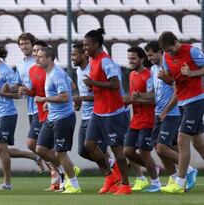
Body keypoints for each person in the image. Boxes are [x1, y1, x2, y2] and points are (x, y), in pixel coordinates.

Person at [0, 42, 39, 190]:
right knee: (1, 150)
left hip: (8, 113)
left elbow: (16, 95)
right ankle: (34, 156)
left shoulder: (6, 71)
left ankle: (7, 183)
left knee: (1, 147)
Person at [82, 28, 131, 195]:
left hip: (113, 112)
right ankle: (110, 177)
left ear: (96, 44)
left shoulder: (106, 61)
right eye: (83, 45)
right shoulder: (92, 59)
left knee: (118, 150)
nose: (85, 48)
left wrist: (93, 83)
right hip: (99, 110)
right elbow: (96, 85)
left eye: (87, 45)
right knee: (89, 144)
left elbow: (115, 85)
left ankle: (125, 184)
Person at [158, 31, 204, 193]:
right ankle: (181, 181)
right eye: (166, 51)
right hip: (182, 103)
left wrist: (192, 73)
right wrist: (166, 79)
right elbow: (173, 81)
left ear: (176, 42)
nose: (169, 53)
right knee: (198, 143)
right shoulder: (166, 58)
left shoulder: (192, 51)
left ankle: (180, 182)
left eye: (170, 50)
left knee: (182, 139)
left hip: (196, 100)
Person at [32, 47, 80, 194]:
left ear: (49, 59)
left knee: (60, 152)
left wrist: (45, 99)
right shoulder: (51, 72)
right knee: (40, 149)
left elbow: (65, 96)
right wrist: (51, 102)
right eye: (37, 56)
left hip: (63, 118)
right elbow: (71, 86)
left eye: (40, 57)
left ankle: (74, 185)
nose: (37, 59)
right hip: (52, 117)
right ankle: (68, 169)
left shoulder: (56, 74)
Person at [123, 47, 160, 192]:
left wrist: (136, 99)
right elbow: (134, 98)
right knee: (128, 151)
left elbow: (153, 99)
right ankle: (153, 168)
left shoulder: (149, 75)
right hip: (136, 120)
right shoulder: (131, 74)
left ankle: (155, 182)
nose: (130, 61)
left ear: (142, 59)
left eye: (133, 58)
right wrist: (128, 101)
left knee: (145, 153)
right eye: (129, 59)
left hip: (148, 120)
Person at [15, 33, 44, 173]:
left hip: (42, 107)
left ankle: (60, 170)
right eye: (21, 44)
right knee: (40, 144)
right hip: (31, 108)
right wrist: (11, 88)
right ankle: (56, 174)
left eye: (26, 43)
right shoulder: (20, 65)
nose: (23, 46)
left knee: (33, 143)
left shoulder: (40, 62)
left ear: (32, 44)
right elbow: (17, 84)